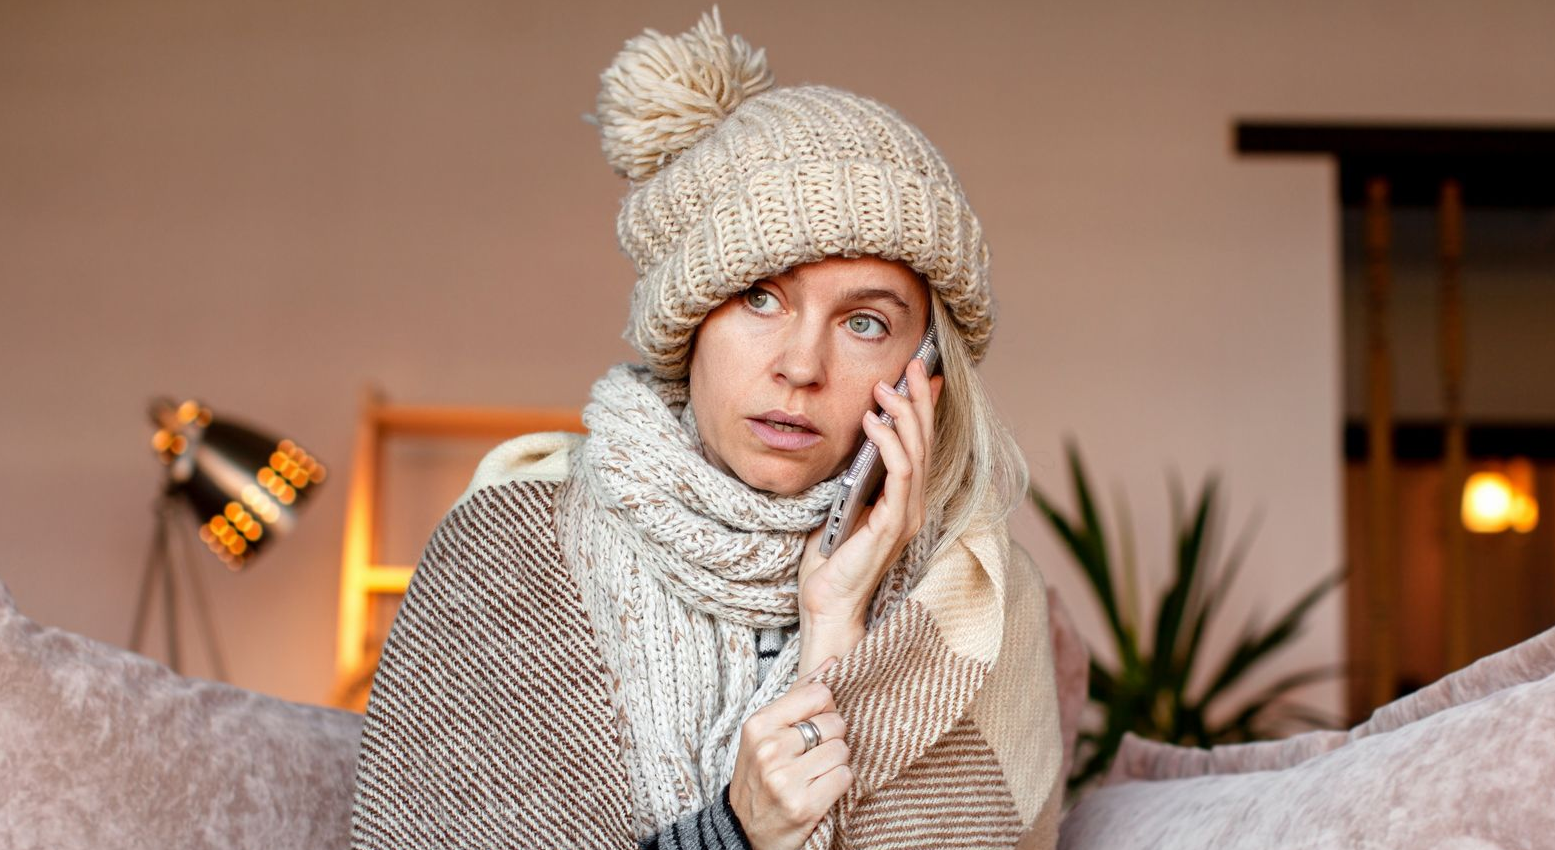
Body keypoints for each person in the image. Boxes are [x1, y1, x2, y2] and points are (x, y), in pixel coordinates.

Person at [350, 7, 1064, 849]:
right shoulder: (511, 551)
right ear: (689, 323)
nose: (802, 366)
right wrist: (734, 832)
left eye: (865, 323)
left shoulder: (979, 602)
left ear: (926, 372)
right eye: (759, 297)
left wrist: (836, 632)